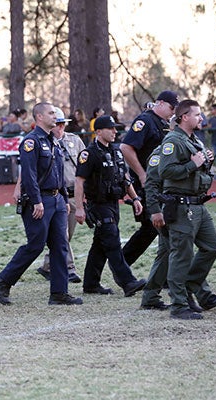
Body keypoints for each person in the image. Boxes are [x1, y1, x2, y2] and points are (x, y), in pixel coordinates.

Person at [0, 103, 82, 306]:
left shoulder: (54, 141)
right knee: (36, 245)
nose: (55, 117)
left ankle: (59, 292)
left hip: (57, 199)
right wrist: (36, 201)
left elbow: (58, 172)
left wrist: (64, 199)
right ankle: (3, 280)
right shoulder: (31, 142)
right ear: (39, 117)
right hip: (40, 200)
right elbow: (29, 175)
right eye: (51, 113)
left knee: (60, 245)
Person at [158, 99, 216, 319]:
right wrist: (193, 164)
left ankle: (191, 285)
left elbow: (200, 168)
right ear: (184, 117)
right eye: (197, 115)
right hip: (181, 206)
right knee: (181, 256)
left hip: (198, 204)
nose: (202, 119)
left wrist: (206, 160)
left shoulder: (193, 140)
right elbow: (166, 171)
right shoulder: (173, 140)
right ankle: (179, 305)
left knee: (212, 246)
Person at [74, 115, 147, 297]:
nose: (115, 131)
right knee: (112, 241)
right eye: (110, 128)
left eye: (115, 128)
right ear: (98, 132)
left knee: (100, 245)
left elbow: (125, 178)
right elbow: (79, 181)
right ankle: (128, 282)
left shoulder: (116, 152)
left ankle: (91, 284)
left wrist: (136, 198)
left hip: (113, 203)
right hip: (97, 205)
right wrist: (80, 208)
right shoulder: (89, 154)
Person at [140, 143, 214, 312]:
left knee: (168, 252)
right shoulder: (161, 153)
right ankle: (200, 295)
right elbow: (151, 184)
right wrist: (155, 211)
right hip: (167, 210)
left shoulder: (189, 148)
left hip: (174, 208)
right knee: (181, 252)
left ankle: (150, 296)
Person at [120, 90, 178, 266]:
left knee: (162, 228)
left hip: (162, 183)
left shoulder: (164, 123)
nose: (173, 111)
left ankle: (167, 276)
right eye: (171, 107)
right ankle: (121, 265)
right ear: (159, 103)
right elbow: (126, 147)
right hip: (147, 184)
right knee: (151, 227)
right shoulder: (145, 121)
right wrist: (141, 174)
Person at [35, 107, 84, 284]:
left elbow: (84, 167)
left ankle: (48, 265)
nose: (61, 127)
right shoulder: (43, 142)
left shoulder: (75, 141)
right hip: (55, 195)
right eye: (58, 123)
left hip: (73, 194)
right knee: (61, 235)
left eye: (63, 124)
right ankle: (69, 268)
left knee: (66, 235)